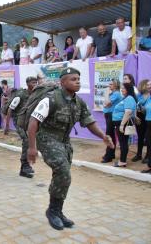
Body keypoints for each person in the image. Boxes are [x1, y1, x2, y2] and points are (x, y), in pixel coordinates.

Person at [27, 67, 114, 230]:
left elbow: (89, 122)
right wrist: (32, 148)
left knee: (64, 176)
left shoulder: (79, 102)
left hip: (64, 142)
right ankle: (52, 211)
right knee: (63, 171)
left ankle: (57, 211)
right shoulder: (51, 99)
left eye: (79, 79)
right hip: (47, 139)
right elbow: (33, 123)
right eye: (73, 79)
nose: (77, 81)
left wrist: (103, 136)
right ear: (62, 82)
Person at [5, 76, 38, 178]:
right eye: (33, 82)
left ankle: (24, 168)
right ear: (27, 83)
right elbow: (10, 109)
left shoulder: (35, 94)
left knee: (29, 141)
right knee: (27, 140)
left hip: (27, 121)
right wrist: (7, 126)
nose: (35, 84)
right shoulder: (20, 95)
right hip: (18, 121)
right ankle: (25, 166)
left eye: (36, 82)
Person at [112, 83, 137, 167]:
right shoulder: (126, 98)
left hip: (122, 123)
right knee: (123, 142)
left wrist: (122, 125)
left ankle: (122, 161)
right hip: (120, 122)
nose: (121, 89)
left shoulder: (129, 98)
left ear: (128, 89)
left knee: (123, 142)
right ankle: (122, 160)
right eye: (121, 88)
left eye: (124, 88)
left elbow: (128, 112)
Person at [101, 79, 122, 163]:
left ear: (116, 85)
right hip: (109, 115)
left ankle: (108, 155)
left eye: (111, 84)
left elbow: (106, 103)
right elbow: (105, 104)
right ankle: (111, 153)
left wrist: (106, 93)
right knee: (111, 135)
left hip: (112, 115)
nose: (109, 86)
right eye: (109, 84)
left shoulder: (116, 94)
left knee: (109, 135)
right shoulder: (113, 93)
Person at [132, 79, 150, 162]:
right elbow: (135, 106)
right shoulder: (139, 95)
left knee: (148, 137)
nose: (149, 86)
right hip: (139, 117)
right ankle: (139, 154)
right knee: (140, 136)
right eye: (147, 84)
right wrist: (135, 116)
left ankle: (147, 155)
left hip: (148, 117)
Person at [141, 80, 151, 173]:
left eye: (150, 85)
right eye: (148, 85)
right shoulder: (148, 97)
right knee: (148, 143)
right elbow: (143, 106)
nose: (149, 86)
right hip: (148, 123)